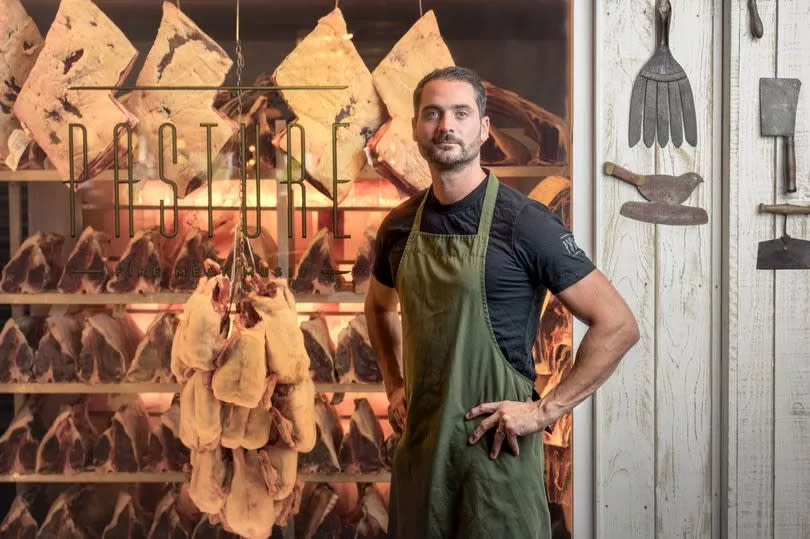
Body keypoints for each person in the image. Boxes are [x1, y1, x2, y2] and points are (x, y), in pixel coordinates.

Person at [364, 66, 639, 538]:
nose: (445, 125)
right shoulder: (398, 226)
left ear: (483, 129)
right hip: (423, 459)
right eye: (432, 113)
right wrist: (393, 385)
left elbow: (617, 324)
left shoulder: (525, 223)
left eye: (460, 113)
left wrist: (544, 411)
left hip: (495, 462)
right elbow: (378, 307)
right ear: (415, 128)